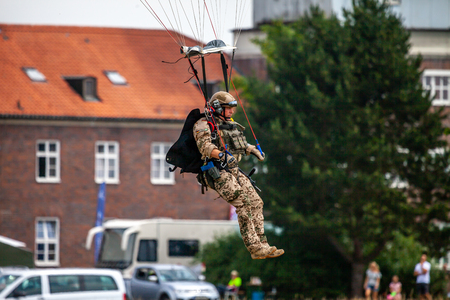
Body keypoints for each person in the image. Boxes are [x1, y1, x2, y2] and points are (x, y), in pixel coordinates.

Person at [193, 91, 284, 260]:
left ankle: (263, 244)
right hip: (217, 172)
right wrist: (221, 155)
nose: (232, 112)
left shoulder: (229, 123)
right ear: (218, 107)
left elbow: (237, 143)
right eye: (228, 108)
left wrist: (251, 149)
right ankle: (254, 247)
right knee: (242, 201)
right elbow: (205, 146)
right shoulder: (203, 124)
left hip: (234, 171)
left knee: (256, 201)